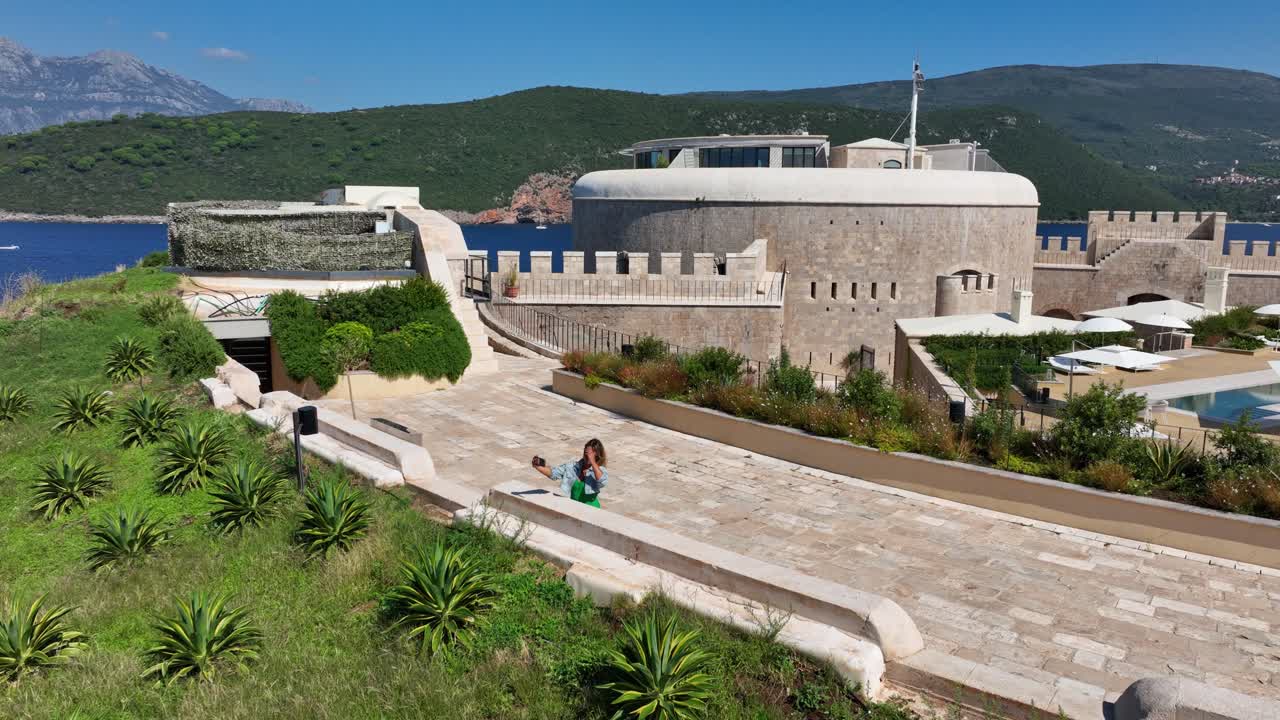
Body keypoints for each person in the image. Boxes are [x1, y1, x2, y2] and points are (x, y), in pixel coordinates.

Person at [532, 438, 608, 507]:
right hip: (573, 506)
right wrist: (537, 467)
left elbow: (602, 480)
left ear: (597, 455)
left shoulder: (600, 470)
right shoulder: (572, 467)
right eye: (586, 453)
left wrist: (592, 461)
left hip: (590, 509)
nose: (587, 456)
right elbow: (553, 473)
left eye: (591, 454)